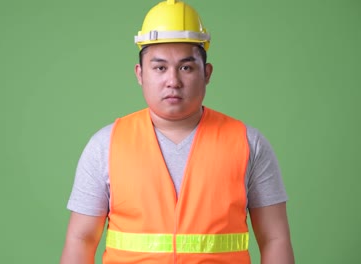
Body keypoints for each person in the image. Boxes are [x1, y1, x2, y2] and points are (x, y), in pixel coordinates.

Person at [60, 0, 294, 263]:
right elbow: (80, 240)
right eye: (160, 67)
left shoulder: (248, 143)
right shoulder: (106, 145)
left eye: (186, 67)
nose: (173, 80)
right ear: (140, 74)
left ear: (206, 73)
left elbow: (276, 238)